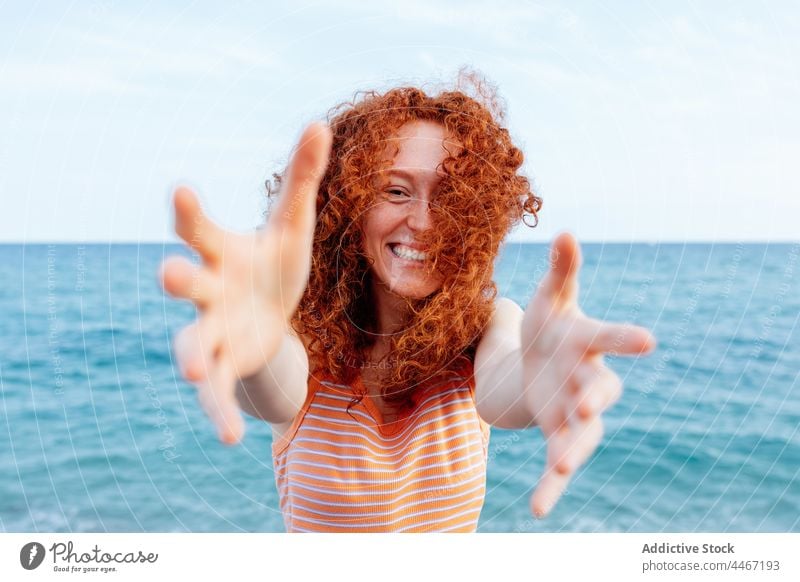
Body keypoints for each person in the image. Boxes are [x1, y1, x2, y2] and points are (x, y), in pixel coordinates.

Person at [159, 74, 655, 532]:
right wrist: (259, 336)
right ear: (351, 206)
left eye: (449, 198)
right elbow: (271, 389)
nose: (422, 221)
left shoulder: (486, 331)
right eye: (395, 190)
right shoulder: (301, 344)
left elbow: (510, 384)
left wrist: (547, 381)